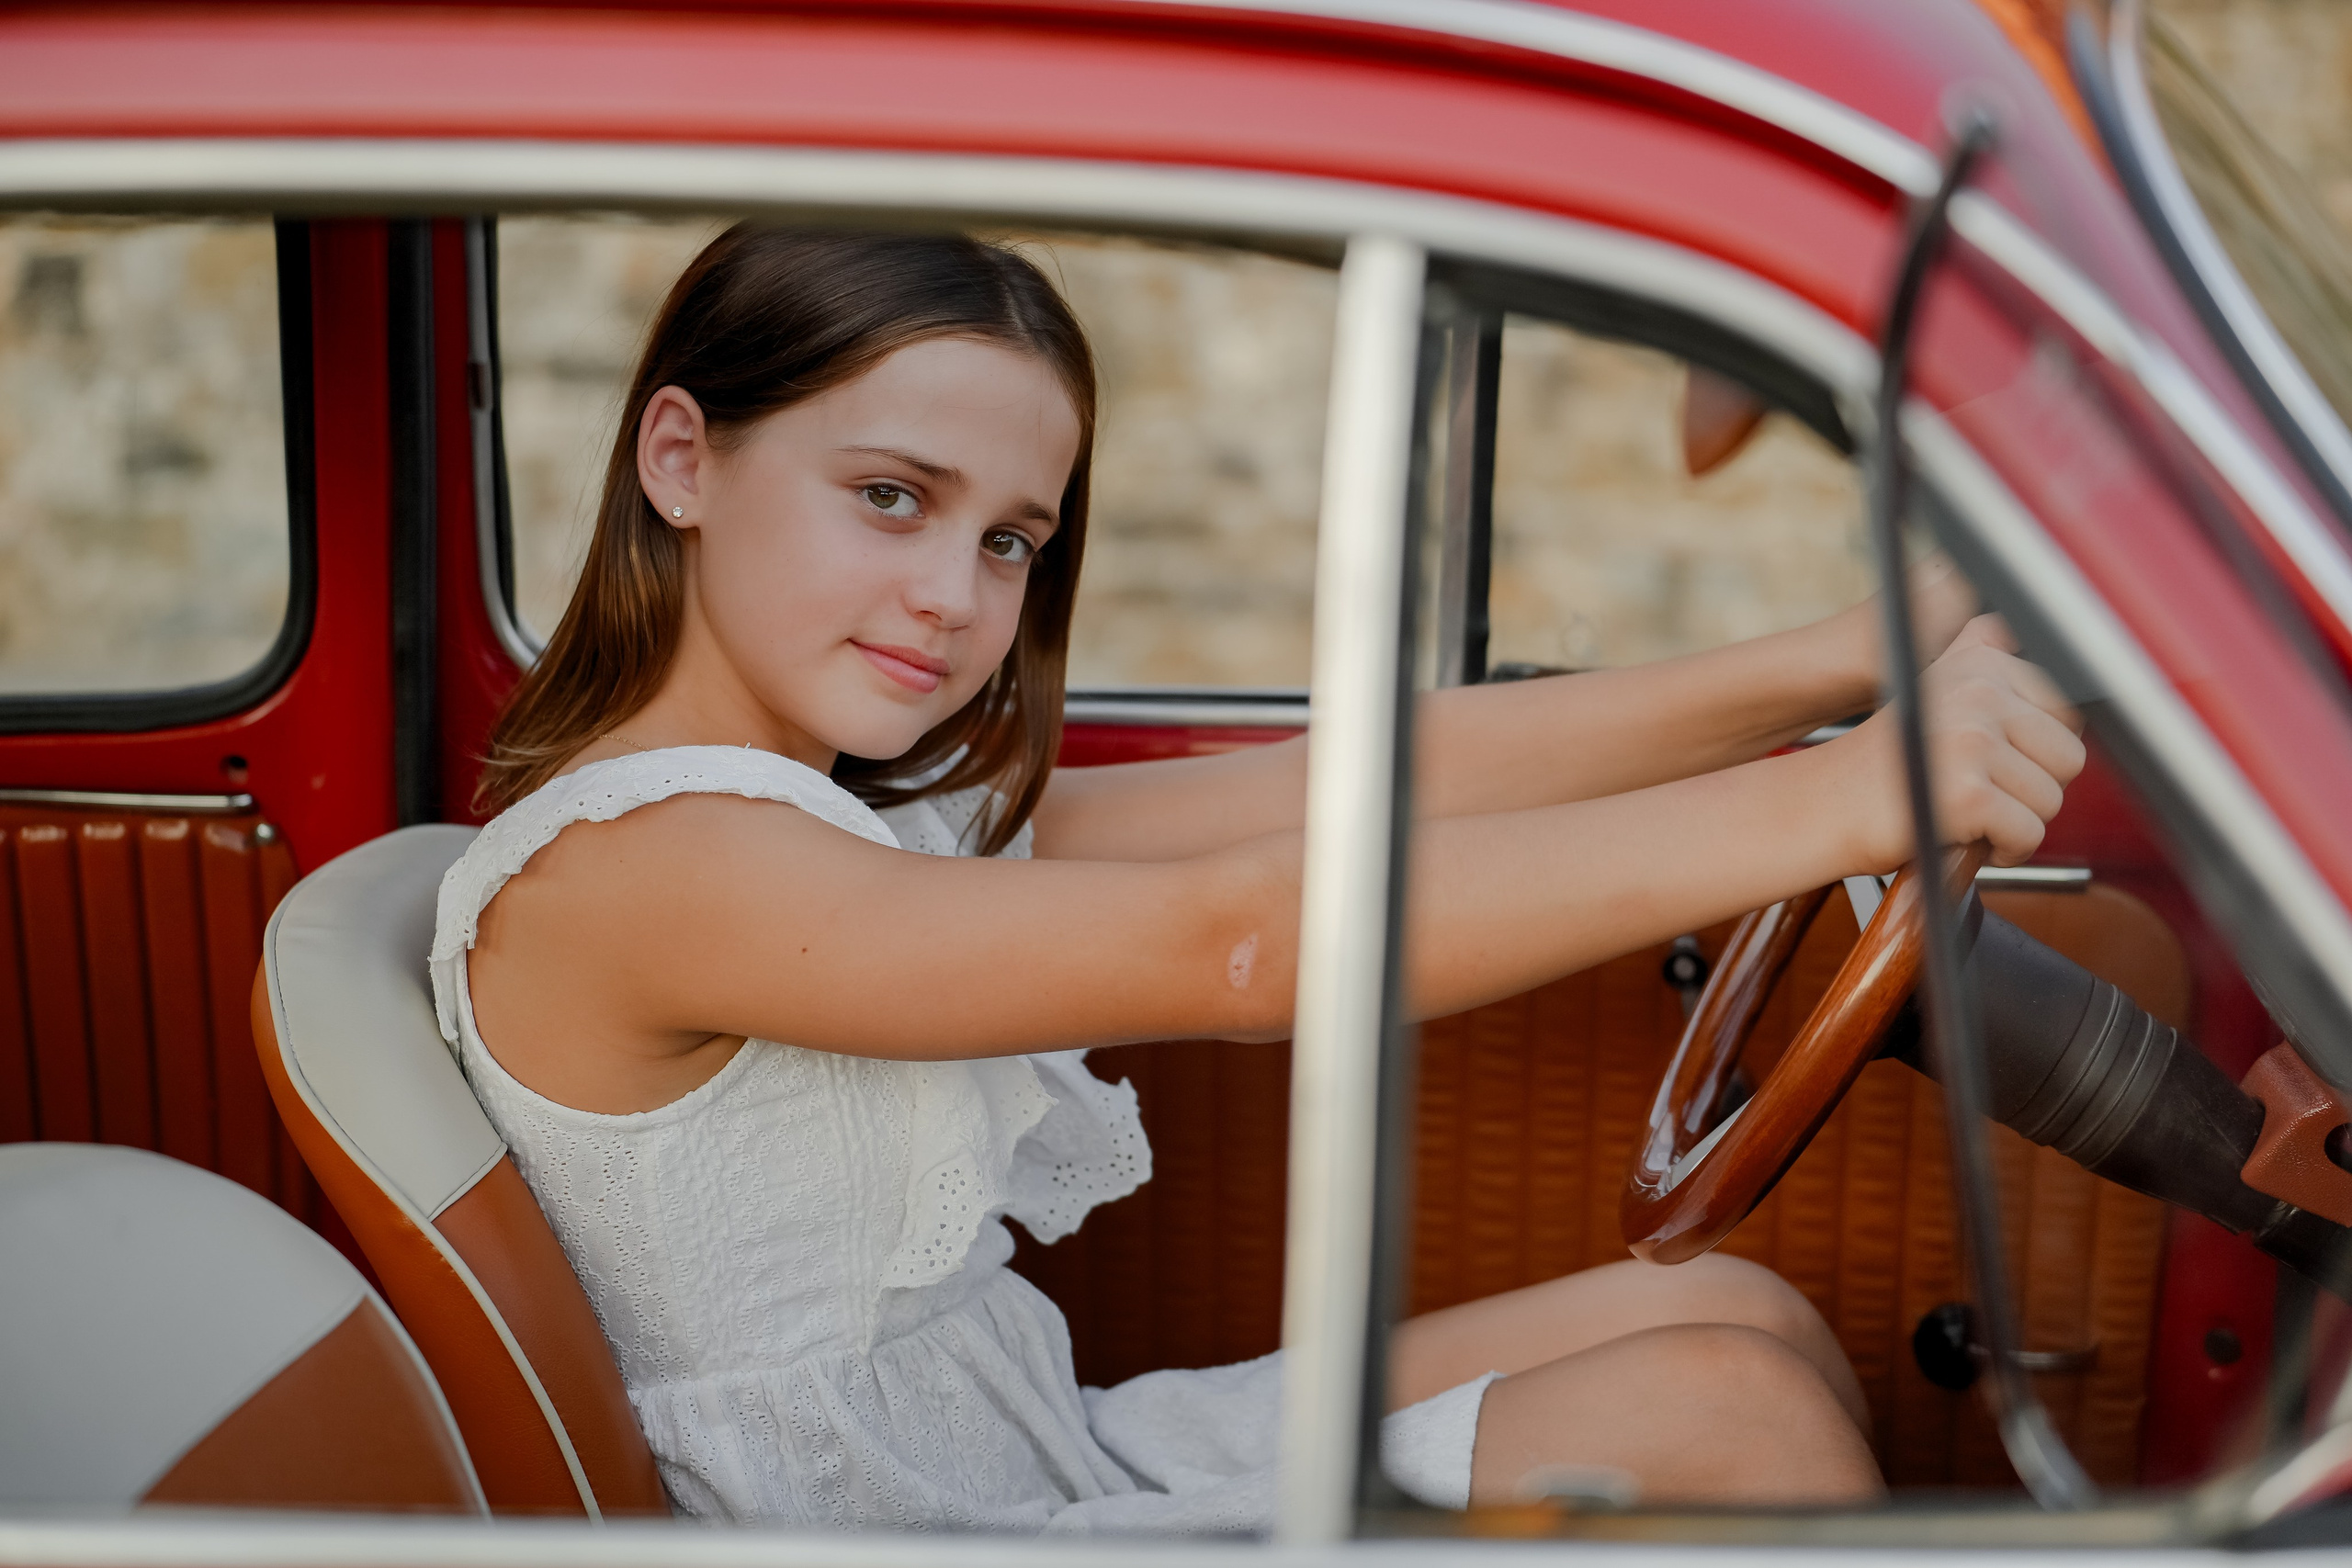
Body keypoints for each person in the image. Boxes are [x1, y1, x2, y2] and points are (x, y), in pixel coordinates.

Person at [432, 226, 2083, 1530]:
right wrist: (1840, 801)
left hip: (1041, 1457)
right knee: (1728, 1416)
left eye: (1009, 541)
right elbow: (1242, 945)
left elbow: (1347, 788)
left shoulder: (832, 816)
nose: (954, 594)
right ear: (680, 460)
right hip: (908, 1531)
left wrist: (1839, 663)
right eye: (889, 498)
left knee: (1741, 1318)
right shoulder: (654, 862)